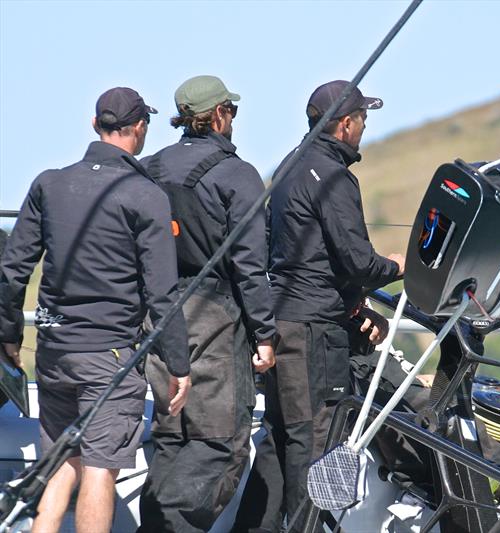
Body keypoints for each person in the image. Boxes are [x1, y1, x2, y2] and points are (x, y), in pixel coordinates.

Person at [0, 87, 191, 533]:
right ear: (141, 128)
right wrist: (179, 364)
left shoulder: (49, 182)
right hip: (109, 358)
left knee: (63, 462)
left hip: (52, 351)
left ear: (94, 124)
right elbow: (163, 291)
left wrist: (9, 333)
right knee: (100, 470)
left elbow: (13, 269)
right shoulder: (146, 196)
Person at [233, 80, 405, 532]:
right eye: (364, 119)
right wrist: (398, 266)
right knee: (315, 443)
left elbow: (278, 248)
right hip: (313, 331)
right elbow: (356, 260)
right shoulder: (334, 177)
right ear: (345, 125)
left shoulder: (289, 167)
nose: (365, 127)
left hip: (281, 320)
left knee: (278, 439)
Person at [136, 75, 277, 532]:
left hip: (154, 317)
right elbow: (251, 266)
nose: (233, 119)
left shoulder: (149, 169)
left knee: (170, 437)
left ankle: (155, 524)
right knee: (220, 443)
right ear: (218, 115)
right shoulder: (237, 175)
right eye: (230, 111)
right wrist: (265, 335)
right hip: (214, 319)